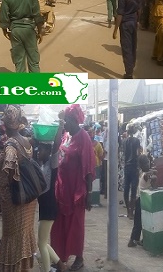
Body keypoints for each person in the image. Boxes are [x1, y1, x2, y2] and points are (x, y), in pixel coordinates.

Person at [51, 105, 95, 271]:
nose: (65, 124)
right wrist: (60, 126)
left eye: (66, 121)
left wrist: (89, 193)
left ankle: (79, 257)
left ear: (73, 120)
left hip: (76, 190)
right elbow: (56, 150)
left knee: (76, 224)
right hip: (62, 188)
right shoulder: (66, 135)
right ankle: (60, 255)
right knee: (60, 223)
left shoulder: (84, 138)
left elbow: (89, 168)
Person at [0, 105, 37, 272]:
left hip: (14, 199)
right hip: (28, 197)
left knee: (13, 236)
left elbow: (10, 169)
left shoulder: (10, 145)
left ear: (5, 124)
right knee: (23, 234)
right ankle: (23, 269)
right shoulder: (26, 142)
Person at [0, 0, 44, 73]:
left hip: (15, 30)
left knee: (19, 62)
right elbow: (37, 14)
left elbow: (4, 15)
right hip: (29, 29)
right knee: (33, 61)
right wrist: (41, 30)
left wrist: (5, 30)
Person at [37, 139, 66, 272]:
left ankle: (47, 270)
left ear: (49, 152)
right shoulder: (41, 165)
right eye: (38, 149)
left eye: (42, 150)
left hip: (49, 207)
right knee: (43, 242)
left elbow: (55, 148)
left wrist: (60, 126)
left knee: (41, 243)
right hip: (45, 207)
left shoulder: (52, 164)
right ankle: (60, 264)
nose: (38, 152)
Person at [112, 0, 141, 79]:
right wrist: (138, 21)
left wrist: (115, 30)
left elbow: (120, 13)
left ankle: (129, 73)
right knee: (133, 46)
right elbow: (139, 8)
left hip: (125, 24)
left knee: (126, 48)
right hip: (134, 21)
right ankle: (132, 66)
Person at [128, 155, 157, 247]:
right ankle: (132, 240)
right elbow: (153, 179)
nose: (147, 165)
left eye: (148, 162)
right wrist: (154, 174)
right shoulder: (145, 175)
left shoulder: (142, 172)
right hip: (141, 200)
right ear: (141, 165)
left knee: (142, 221)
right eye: (145, 164)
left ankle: (139, 239)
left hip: (142, 199)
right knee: (139, 222)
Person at [123, 123, 142, 219]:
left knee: (126, 189)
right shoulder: (136, 141)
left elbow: (123, 154)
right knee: (133, 190)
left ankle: (128, 210)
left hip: (126, 167)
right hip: (134, 166)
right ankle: (131, 211)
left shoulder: (124, 141)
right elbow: (138, 153)